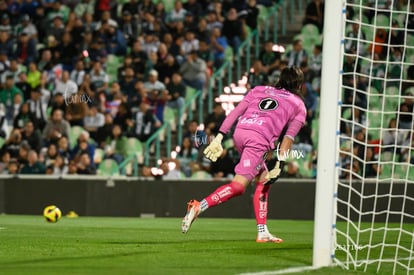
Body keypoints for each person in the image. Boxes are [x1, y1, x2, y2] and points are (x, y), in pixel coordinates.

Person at [181, 67, 307, 243]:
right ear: (299, 85)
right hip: (259, 140)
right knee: (239, 186)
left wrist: (219, 137)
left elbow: (235, 112)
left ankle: (262, 231)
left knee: (264, 181)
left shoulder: (259, 89)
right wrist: (279, 164)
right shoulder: (298, 105)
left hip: (240, 133)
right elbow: (288, 138)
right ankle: (198, 206)